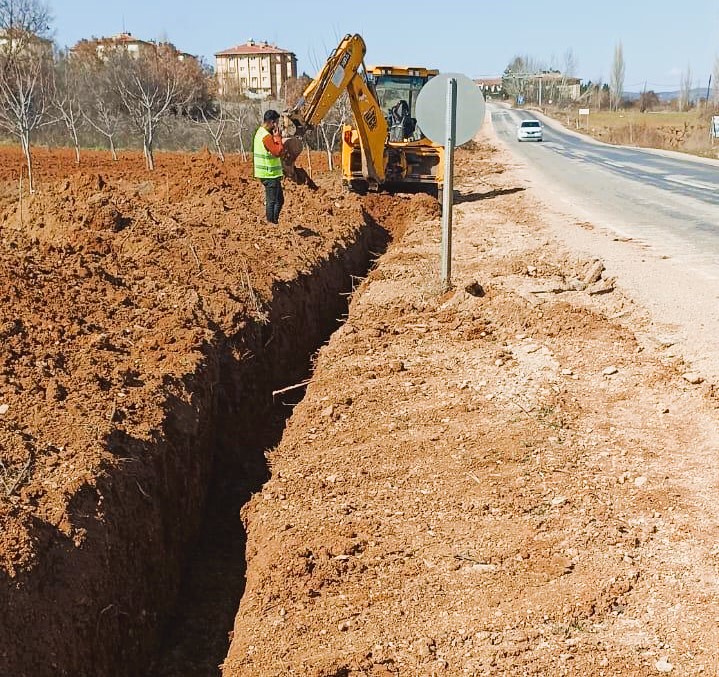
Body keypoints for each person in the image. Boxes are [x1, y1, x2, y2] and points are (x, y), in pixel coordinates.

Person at [253, 109, 285, 224]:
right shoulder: (266, 137)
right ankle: (271, 223)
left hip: (269, 173)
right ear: (272, 122)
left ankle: (274, 222)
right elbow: (277, 152)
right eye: (276, 122)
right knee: (273, 201)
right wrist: (278, 138)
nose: (277, 125)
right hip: (269, 174)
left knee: (279, 200)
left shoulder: (260, 132)